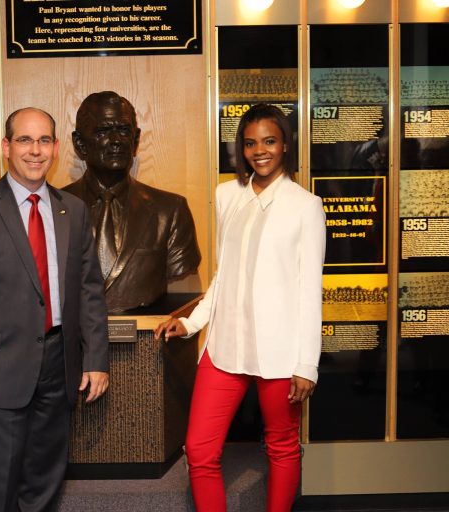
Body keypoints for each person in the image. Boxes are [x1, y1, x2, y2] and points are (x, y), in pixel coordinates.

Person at [155, 103, 326, 512]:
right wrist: (191, 322)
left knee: (282, 446)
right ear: (241, 148)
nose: (260, 151)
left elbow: (309, 290)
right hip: (225, 346)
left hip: (281, 353)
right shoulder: (227, 195)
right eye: (250, 144)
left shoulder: (306, 206)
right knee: (200, 450)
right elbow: (223, 275)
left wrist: (307, 364)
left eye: (269, 141)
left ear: (285, 144)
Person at [0, 107, 109, 512]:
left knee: (45, 481)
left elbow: (89, 290)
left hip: (59, 365)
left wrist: (96, 359)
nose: (36, 150)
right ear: (6, 147)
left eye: (44, 140)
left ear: (56, 147)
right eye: (25, 140)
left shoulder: (73, 210)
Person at [64, 91, 201, 312]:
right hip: (73, 334)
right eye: (103, 131)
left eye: (124, 131)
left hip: (145, 332)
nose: (116, 140)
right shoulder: (52, 208)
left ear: (135, 140)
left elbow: (183, 286)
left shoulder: (170, 211)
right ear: (80, 144)